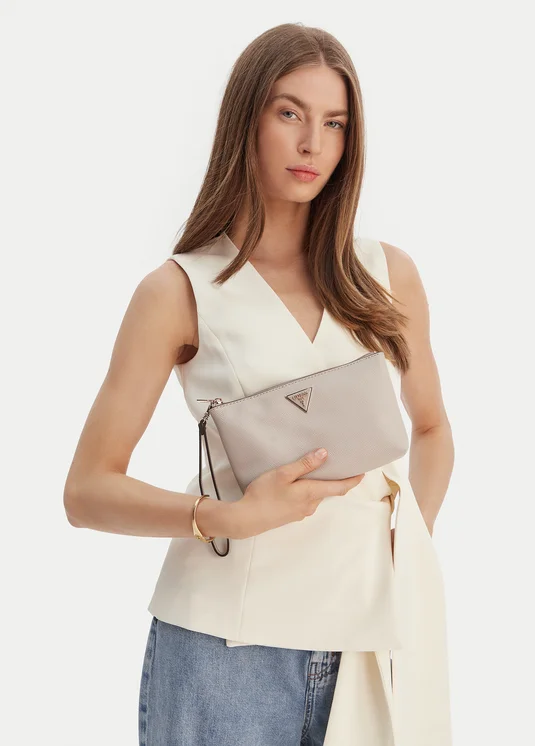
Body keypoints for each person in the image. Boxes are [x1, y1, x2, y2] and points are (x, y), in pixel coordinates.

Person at [63, 22, 454, 746]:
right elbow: (86, 491)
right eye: (289, 113)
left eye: (334, 123)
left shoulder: (387, 275)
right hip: (225, 653)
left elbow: (431, 428)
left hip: (370, 640)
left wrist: (407, 554)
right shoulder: (178, 291)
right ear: (247, 119)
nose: (313, 144)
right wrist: (229, 517)